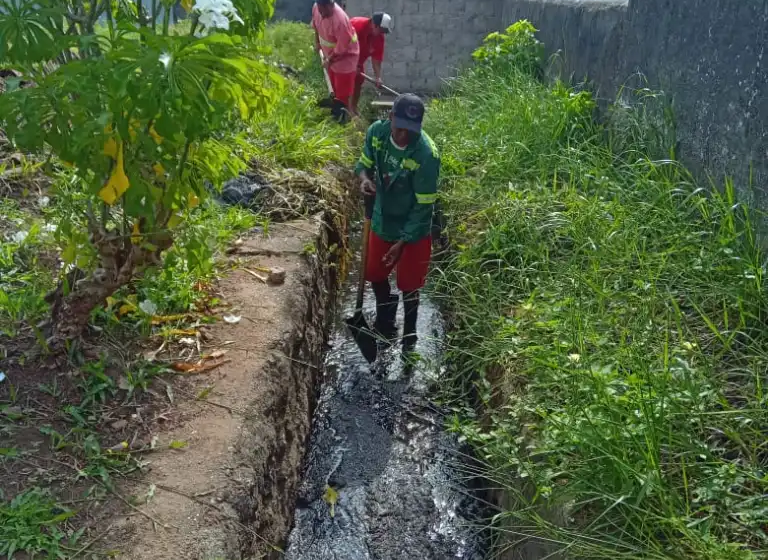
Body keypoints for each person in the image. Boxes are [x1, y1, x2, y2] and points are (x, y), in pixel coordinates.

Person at [354, 94, 440, 353]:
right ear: (390, 117)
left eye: (410, 131)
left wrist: (403, 241)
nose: (403, 136)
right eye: (399, 128)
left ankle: (409, 338)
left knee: (410, 284)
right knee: (374, 273)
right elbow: (363, 165)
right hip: (382, 217)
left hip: (414, 227)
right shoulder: (377, 134)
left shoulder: (426, 154)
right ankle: (385, 317)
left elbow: (424, 206)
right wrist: (364, 179)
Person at [312, 0, 360, 116]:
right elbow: (316, 26)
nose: (323, 13)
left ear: (331, 4)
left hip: (345, 58)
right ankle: (336, 112)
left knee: (342, 94)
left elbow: (341, 47)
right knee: (333, 88)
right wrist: (317, 43)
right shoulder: (316, 8)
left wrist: (329, 60)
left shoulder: (340, 20)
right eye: (321, 9)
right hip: (330, 55)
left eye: (326, 9)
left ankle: (344, 119)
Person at [349, 12, 393, 115]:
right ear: (374, 24)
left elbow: (376, 59)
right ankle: (347, 110)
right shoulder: (356, 26)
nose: (382, 33)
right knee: (348, 82)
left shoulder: (379, 38)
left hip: (358, 62)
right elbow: (344, 45)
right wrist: (351, 65)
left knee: (359, 80)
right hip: (344, 57)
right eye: (381, 30)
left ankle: (354, 108)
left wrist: (378, 77)